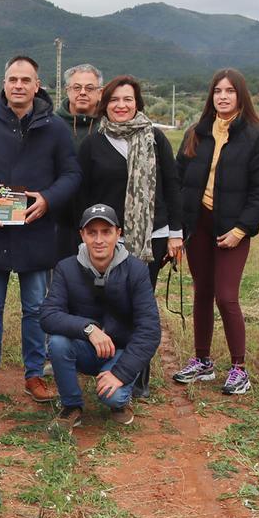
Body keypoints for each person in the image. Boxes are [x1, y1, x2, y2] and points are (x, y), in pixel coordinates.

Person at [0, 55, 80, 402]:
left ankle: (35, 374)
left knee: (37, 309)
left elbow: (72, 175)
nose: (19, 86)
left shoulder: (55, 128)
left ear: (37, 85)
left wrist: (48, 200)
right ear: (4, 84)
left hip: (36, 232)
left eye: (26, 80)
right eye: (13, 80)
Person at [77, 75, 181, 397]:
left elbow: (173, 187)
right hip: (107, 240)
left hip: (151, 237)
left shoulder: (155, 138)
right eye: (114, 100)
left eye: (128, 100)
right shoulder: (94, 143)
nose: (121, 106)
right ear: (104, 105)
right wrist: (85, 237)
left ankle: (137, 379)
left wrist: (176, 234)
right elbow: (83, 193)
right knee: (107, 305)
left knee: (140, 308)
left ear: (137, 103)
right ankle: (108, 370)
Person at [173, 69, 259, 395]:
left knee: (226, 296)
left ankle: (238, 369)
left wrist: (242, 229)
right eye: (218, 91)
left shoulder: (257, 137)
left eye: (230, 91)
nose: (223, 96)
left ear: (240, 95)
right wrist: (179, 228)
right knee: (202, 293)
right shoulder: (196, 133)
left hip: (232, 230)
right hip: (198, 227)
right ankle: (202, 361)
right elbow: (177, 181)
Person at [41, 205, 162, 429]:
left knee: (112, 397)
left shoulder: (136, 270)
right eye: (92, 232)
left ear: (119, 233)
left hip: (122, 350)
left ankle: (121, 400)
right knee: (57, 343)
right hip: (86, 347)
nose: (99, 240)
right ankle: (71, 406)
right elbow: (48, 315)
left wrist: (121, 373)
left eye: (106, 232)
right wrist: (89, 329)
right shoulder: (66, 268)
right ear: (82, 235)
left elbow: (150, 329)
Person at [55, 64, 104, 259]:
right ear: (68, 90)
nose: (82, 93)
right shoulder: (51, 124)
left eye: (89, 88)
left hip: (102, 219)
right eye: (77, 88)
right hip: (60, 219)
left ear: (100, 92)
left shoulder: (111, 125)